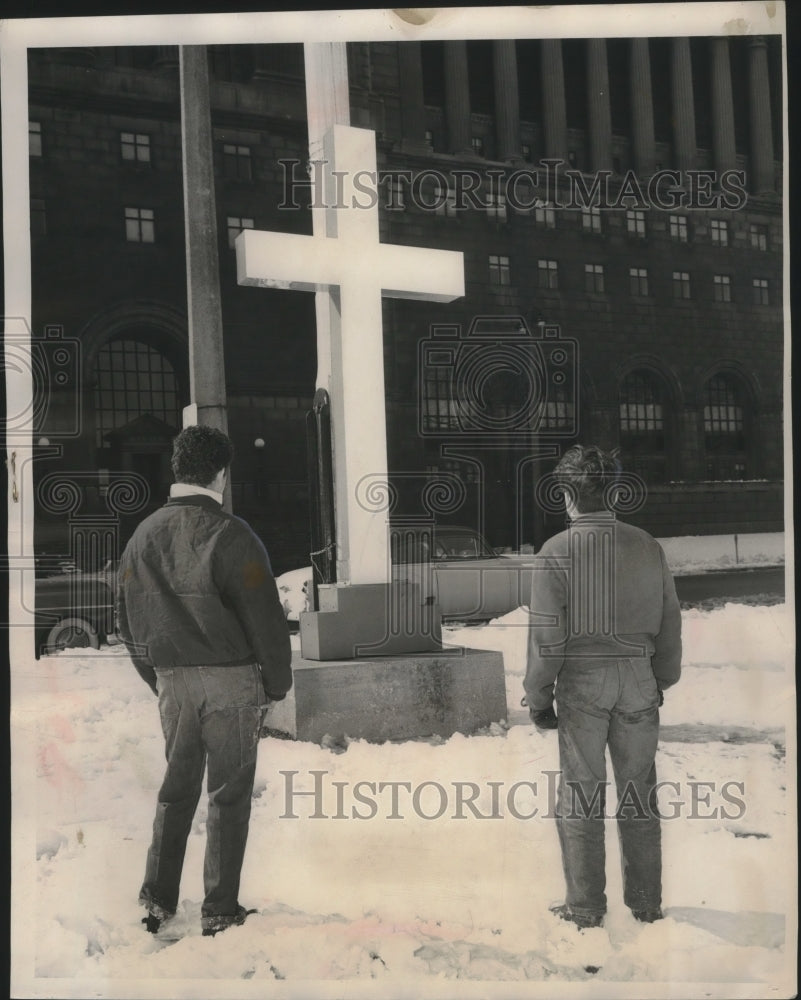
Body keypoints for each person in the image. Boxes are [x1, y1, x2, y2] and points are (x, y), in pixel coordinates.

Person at [116, 424, 292, 937]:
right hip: (232, 681)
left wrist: (160, 679)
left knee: (175, 791)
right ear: (221, 473)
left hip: (172, 680)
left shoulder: (142, 536)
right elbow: (265, 616)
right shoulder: (233, 535)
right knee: (228, 795)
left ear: (177, 470)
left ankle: (156, 900)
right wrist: (276, 683)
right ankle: (219, 909)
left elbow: (128, 622)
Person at [524, 445, 682, 930]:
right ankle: (646, 902)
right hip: (637, 677)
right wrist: (661, 678)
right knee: (639, 793)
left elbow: (546, 639)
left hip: (584, 683)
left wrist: (538, 697)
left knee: (580, 796)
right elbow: (670, 620)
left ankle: (586, 906)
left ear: (568, 495)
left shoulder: (556, 553)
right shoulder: (647, 545)